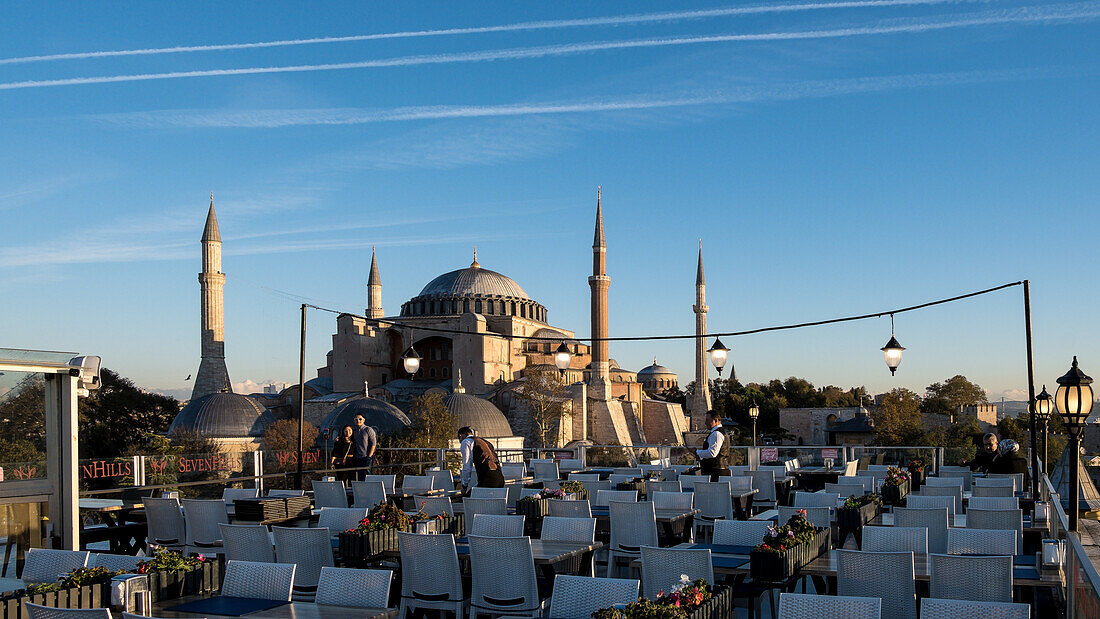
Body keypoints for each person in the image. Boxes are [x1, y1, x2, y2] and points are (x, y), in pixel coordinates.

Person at [457, 426, 505, 492]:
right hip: (499, 477)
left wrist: (464, 485)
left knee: (467, 498)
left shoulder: (466, 442)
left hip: (488, 478)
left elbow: (467, 465)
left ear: (460, 436)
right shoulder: (483, 441)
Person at [696, 410, 731, 481]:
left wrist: (698, 452)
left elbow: (712, 453)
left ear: (716, 420)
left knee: (712, 491)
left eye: (707, 420)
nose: (705, 423)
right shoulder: (722, 432)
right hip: (721, 470)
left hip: (715, 472)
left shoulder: (716, 434)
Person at [351, 414, 377, 480]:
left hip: (366, 457)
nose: (358, 421)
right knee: (360, 476)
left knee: (368, 475)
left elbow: (373, 444)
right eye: (356, 419)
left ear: (364, 420)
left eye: (360, 419)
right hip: (358, 457)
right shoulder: (355, 431)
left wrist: (369, 456)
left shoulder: (368, 429)